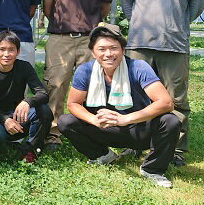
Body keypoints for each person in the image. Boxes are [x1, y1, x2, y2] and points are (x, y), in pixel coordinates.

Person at [120, 0, 204, 167]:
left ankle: (175, 148)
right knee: (134, 96)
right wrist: (141, 23)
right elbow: (127, 4)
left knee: (176, 98)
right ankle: (132, 143)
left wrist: (175, 22)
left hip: (174, 44)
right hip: (139, 44)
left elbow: (196, 5)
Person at [58, 23, 179, 188]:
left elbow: (166, 103)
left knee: (170, 121)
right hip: (104, 128)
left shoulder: (138, 67)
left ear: (123, 49)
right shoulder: (85, 71)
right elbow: (72, 104)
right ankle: (103, 155)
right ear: (93, 52)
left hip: (138, 129)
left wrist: (126, 119)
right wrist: (93, 120)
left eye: (114, 48)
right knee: (66, 121)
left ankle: (152, 169)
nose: (108, 54)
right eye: (101, 49)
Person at [42, 0, 114, 150]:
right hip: (59, 38)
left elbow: (104, 8)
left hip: (89, 40)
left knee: (92, 85)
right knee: (56, 83)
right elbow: (48, 8)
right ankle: (52, 132)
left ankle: (87, 129)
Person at [0, 31, 51, 163]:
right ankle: (0, 152)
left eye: (11, 49)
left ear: (18, 51)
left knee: (44, 111)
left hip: (18, 116)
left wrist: (28, 102)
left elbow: (43, 93)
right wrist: (4, 119)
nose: (6, 54)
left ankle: (29, 149)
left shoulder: (24, 67)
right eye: (2, 49)